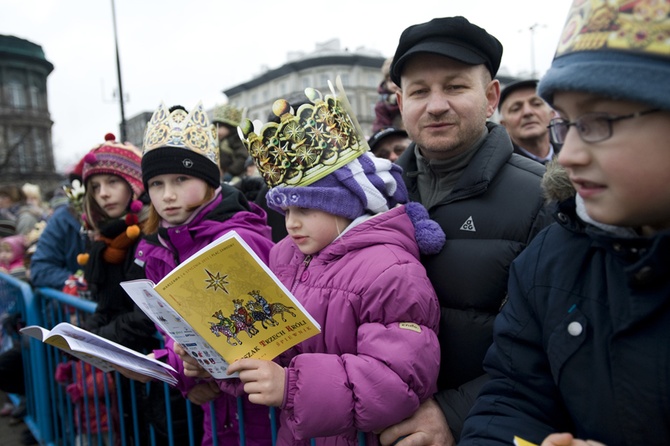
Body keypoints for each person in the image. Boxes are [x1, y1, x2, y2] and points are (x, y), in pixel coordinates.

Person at [181, 81, 444, 445]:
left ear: (346, 202)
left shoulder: (392, 270)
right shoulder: (287, 254)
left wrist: (290, 385)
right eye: (286, 209)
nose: (290, 223)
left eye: (304, 209)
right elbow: (272, 345)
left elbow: (398, 379)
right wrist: (217, 361)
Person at [460, 2, 670, 445]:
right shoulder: (548, 260)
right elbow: (511, 400)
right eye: (567, 124)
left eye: (597, 122)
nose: (569, 154)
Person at [379, 16, 554, 445]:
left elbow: (554, 346)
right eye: (420, 91)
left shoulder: (542, 199)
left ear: (490, 96)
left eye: (455, 86)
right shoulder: (374, 199)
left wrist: (453, 415)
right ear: (400, 102)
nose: (435, 105)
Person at [135, 101, 274, 446]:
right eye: (156, 183)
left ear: (210, 180)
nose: (167, 196)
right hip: (217, 415)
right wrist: (178, 371)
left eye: (181, 179)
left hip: (262, 411)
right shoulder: (159, 246)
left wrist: (203, 373)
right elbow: (175, 332)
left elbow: (265, 333)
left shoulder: (240, 240)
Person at [499, 79, 559, 164]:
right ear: (504, 125)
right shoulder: (499, 169)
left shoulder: (573, 157)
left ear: (552, 114)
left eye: (536, 104)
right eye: (516, 109)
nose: (527, 112)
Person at [211, 103, 248, 184]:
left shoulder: (237, 138)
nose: (217, 131)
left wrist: (231, 172)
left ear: (229, 127)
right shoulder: (219, 141)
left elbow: (242, 157)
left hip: (238, 175)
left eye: (219, 127)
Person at [372, 57, 403, 133]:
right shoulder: (382, 105)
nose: (395, 85)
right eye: (390, 81)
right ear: (385, 83)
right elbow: (381, 126)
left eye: (397, 80)